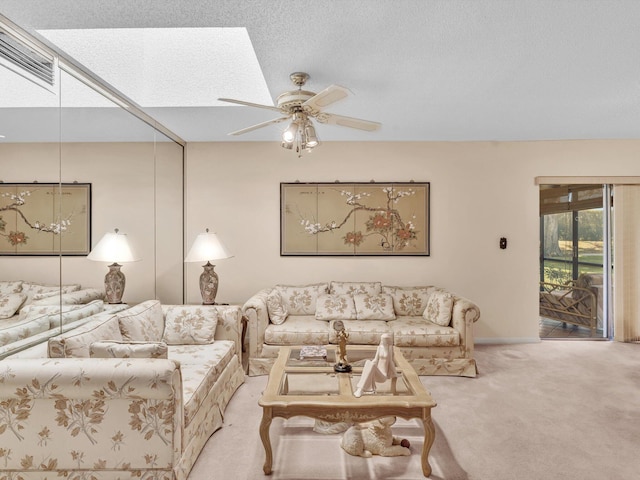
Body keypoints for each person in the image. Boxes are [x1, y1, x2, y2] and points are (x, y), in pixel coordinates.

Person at [353, 334, 398, 398]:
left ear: (387, 340)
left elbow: (390, 361)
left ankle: (361, 389)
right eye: (382, 339)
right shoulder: (379, 347)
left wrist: (395, 373)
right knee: (368, 362)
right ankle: (360, 388)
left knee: (372, 365)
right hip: (376, 373)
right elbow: (375, 359)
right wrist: (370, 365)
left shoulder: (389, 348)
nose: (382, 341)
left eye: (384, 340)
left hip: (383, 376)